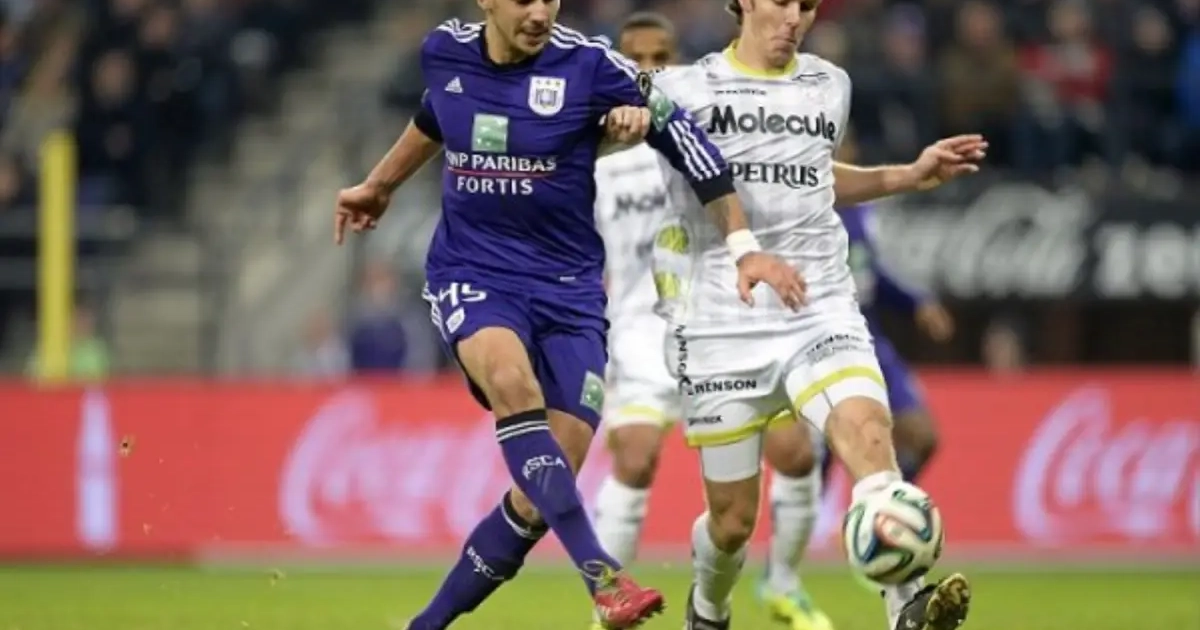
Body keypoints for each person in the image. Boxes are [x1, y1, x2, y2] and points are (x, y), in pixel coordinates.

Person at [332, 1, 805, 628]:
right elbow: (436, 114)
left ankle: (425, 626)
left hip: (570, 291)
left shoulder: (590, 68)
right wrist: (380, 184)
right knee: (513, 384)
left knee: (538, 494)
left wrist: (743, 245)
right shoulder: (444, 52)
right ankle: (603, 578)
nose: (539, 12)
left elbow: (690, 139)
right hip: (474, 275)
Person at [645, 0, 986, 628]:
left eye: (806, 5)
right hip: (723, 317)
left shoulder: (830, 85)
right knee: (732, 522)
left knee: (870, 434)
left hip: (817, 303)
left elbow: (812, 176)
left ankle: (907, 604)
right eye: (782, 2)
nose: (795, 18)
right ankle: (708, 608)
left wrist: (905, 176)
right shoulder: (682, 88)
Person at [590, 13, 830, 630]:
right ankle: (606, 608)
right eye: (636, 59)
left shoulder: (708, 132)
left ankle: (784, 585)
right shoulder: (596, 154)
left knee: (797, 454)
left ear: (679, 62)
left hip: (725, 324)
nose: (648, 70)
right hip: (640, 334)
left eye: (661, 57)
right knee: (634, 461)